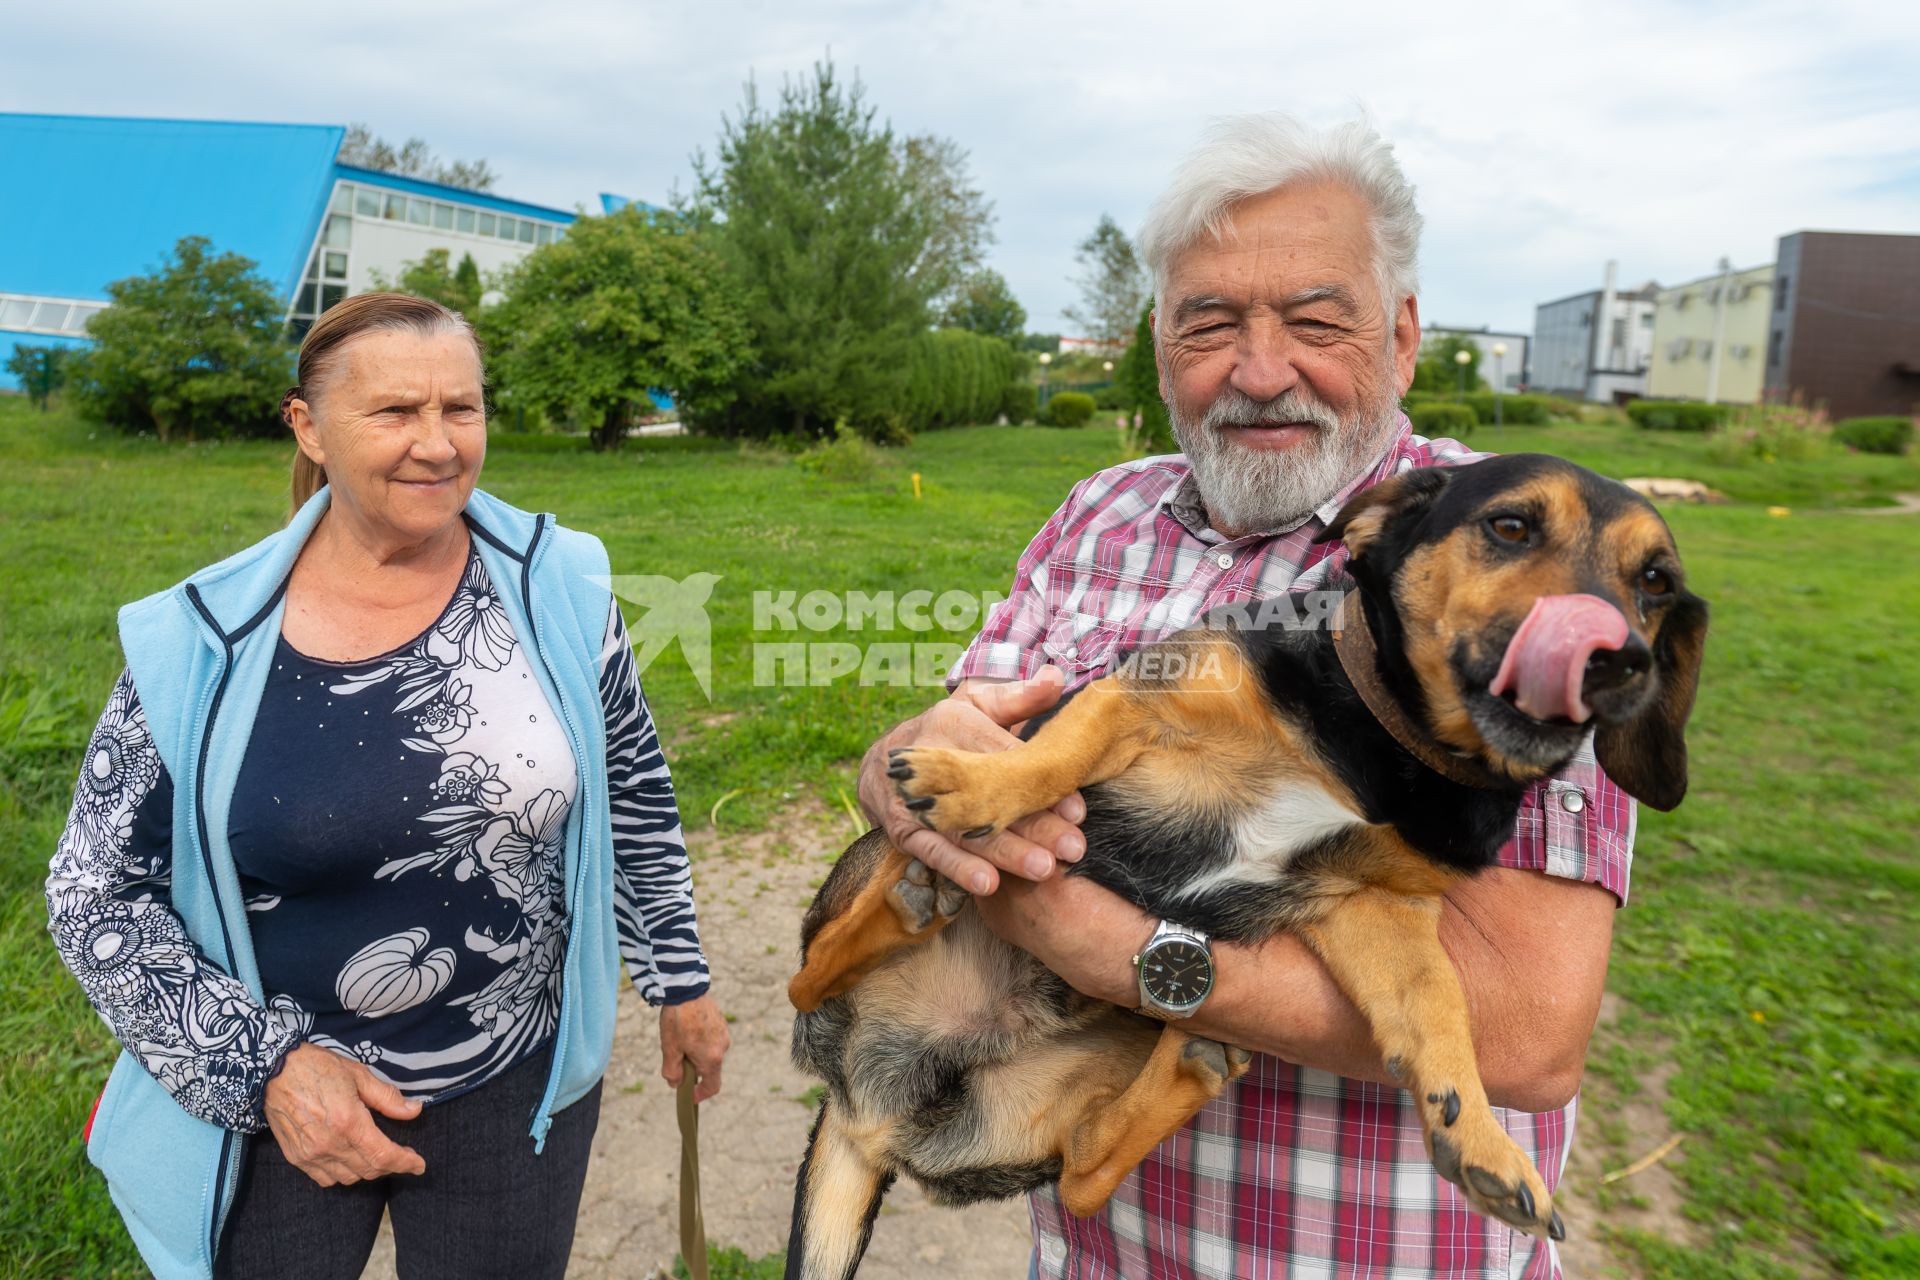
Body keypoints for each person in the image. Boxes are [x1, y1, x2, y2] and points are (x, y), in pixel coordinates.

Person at [857, 115, 1625, 1279]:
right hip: (1093, 1248)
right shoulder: (1099, 512)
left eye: (1316, 321)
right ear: (1157, 345)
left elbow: (1527, 1033)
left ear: (1404, 336)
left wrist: (1133, 957)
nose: (1260, 371)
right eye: (1208, 322)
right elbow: (958, 739)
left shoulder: (1520, 558)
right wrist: (899, 769)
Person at [46, 293, 730, 1280]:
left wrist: (682, 981)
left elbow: (630, 786)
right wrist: (265, 1067)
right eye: (396, 412)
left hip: (513, 1074)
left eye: (463, 407)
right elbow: (93, 893)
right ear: (308, 428)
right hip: (285, 1104)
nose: (439, 444)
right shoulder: (199, 642)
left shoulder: (560, 587)